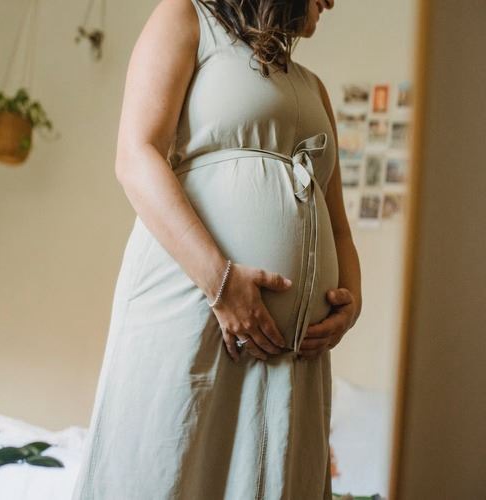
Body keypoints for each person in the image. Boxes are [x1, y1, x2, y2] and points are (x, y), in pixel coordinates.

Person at [71, 0, 362, 498]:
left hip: (294, 354)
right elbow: (135, 156)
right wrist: (222, 284)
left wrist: (349, 303)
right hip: (195, 301)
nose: (333, 1)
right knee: (168, 468)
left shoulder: (315, 89)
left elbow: (338, 227)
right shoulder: (187, 16)